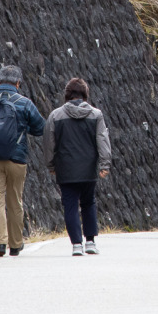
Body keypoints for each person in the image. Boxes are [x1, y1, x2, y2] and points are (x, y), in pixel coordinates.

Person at [0, 65, 45, 258]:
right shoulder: (25, 103)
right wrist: (23, 128)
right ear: (18, 83)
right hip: (17, 158)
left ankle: (0, 243)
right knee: (15, 201)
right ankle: (15, 244)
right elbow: (40, 128)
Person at [45, 77, 111, 256]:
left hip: (65, 169)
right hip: (88, 168)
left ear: (67, 95)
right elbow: (102, 141)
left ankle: (76, 244)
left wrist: (51, 165)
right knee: (89, 202)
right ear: (85, 95)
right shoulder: (96, 115)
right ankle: (90, 241)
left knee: (70, 205)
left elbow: (50, 144)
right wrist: (105, 164)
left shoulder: (55, 115)